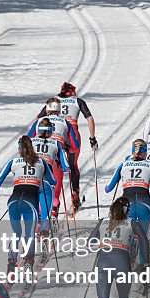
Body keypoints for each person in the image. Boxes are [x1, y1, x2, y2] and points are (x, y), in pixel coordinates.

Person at [0, 135, 55, 274]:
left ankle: (11, 263)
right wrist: (39, 176)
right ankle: (29, 260)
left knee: (16, 233)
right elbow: (53, 181)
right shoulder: (41, 162)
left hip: (13, 201)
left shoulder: (13, 162)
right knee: (29, 234)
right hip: (30, 203)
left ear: (19, 149)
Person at [94, 196, 149, 298]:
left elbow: (90, 241)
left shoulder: (103, 221)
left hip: (103, 263)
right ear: (127, 210)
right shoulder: (132, 222)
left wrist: (102, 245)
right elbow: (144, 240)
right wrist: (145, 263)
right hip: (122, 264)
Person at [34, 82, 97, 212]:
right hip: (71, 133)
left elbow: (38, 118)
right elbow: (90, 119)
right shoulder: (77, 101)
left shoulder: (53, 102)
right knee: (72, 165)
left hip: (53, 135)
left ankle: (50, 199)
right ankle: (75, 194)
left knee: (53, 163)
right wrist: (92, 138)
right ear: (72, 92)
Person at [104, 139, 150, 235]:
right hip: (145, 202)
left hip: (128, 203)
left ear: (132, 152)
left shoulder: (123, 164)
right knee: (143, 236)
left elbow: (108, 189)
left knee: (127, 235)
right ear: (145, 153)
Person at [29, 99, 79, 218]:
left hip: (36, 161)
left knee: (37, 188)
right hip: (55, 159)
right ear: (59, 109)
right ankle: (53, 211)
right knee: (53, 191)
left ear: (47, 109)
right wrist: (68, 148)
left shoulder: (39, 122)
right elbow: (75, 146)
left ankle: (37, 216)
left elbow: (27, 138)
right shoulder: (65, 122)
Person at [31, 116, 70, 232]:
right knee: (46, 211)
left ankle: (29, 238)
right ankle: (45, 233)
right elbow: (66, 166)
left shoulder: (30, 142)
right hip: (46, 181)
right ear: (51, 131)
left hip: (29, 181)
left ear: (38, 131)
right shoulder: (56, 143)